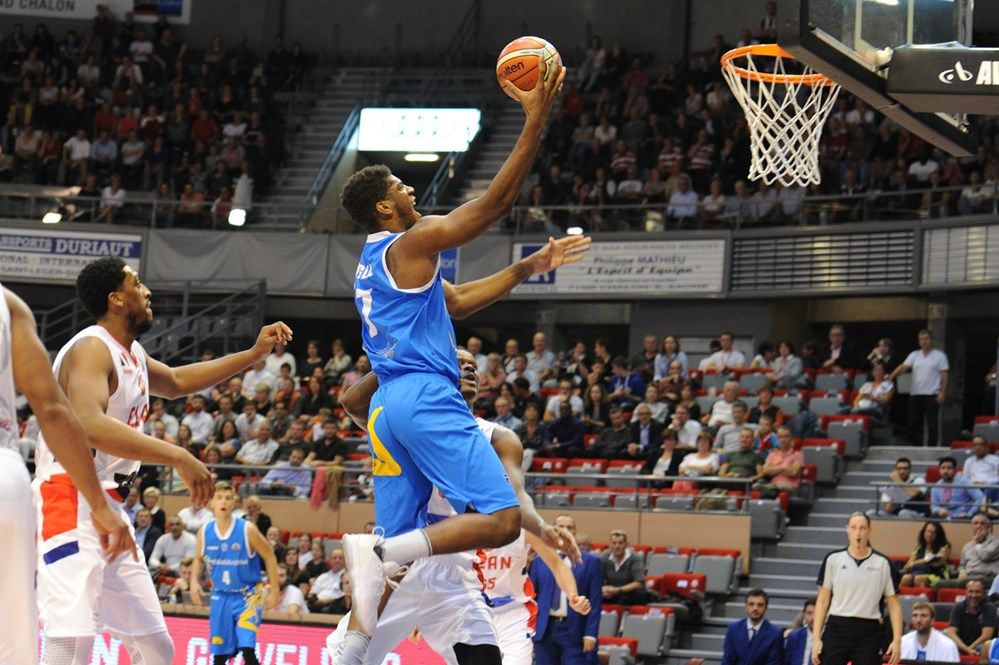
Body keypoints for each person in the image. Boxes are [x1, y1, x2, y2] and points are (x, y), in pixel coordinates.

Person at [339, 55, 583, 654]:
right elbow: (492, 207)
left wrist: (528, 267)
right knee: (501, 521)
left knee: (395, 575)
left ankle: (355, 637)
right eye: (399, 187)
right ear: (383, 208)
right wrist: (535, 118)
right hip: (425, 395)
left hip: (387, 408)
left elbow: (459, 301)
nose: (409, 189)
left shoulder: (373, 264)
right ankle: (380, 550)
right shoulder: (411, 240)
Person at [32, 257, 291, 665]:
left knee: (156, 647)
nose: (147, 291)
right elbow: (87, 424)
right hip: (68, 494)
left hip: (110, 505)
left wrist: (253, 354)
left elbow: (176, 381)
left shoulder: (130, 352)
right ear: (116, 299)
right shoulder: (91, 349)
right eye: (136, 284)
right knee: (71, 640)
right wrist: (177, 454)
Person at [332, 348, 584, 665]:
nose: (468, 368)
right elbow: (352, 403)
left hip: (454, 572)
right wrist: (403, 359)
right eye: (458, 362)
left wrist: (543, 527)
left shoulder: (498, 437)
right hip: (402, 569)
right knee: (350, 659)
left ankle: (378, 554)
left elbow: (516, 496)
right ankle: (380, 557)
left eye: (473, 365)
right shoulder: (405, 419)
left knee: (486, 658)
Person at [0, 284, 134, 665]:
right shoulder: (9, 304)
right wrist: (100, 505)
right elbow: (53, 411)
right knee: (13, 643)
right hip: (6, 474)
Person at [189, 482, 280, 665]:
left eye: (228, 498)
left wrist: (275, 589)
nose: (223, 502)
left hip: (248, 595)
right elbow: (198, 559)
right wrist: (193, 581)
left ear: (234, 503)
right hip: (220, 596)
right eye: (219, 498)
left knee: (247, 649)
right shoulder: (204, 532)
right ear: (211, 502)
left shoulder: (247, 529)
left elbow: (270, 556)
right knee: (220, 656)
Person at [812, 512, 902, 665]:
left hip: (869, 631)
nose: (858, 533)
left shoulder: (883, 563)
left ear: (870, 530)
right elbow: (822, 601)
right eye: (853, 527)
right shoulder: (833, 559)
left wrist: (897, 640)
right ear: (847, 529)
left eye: (862, 528)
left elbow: (894, 604)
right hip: (837, 626)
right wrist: (816, 639)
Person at [531, 514, 603, 665]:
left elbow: (595, 601)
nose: (565, 530)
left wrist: (591, 634)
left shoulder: (591, 562)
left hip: (575, 629)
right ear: (553, 530)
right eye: (561, 527)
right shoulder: (539, 560)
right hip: (545, 628)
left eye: (569, 527)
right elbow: (532, 596)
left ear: (575, 531)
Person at [889, 329, 949, 446]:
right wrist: (892, 376)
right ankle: (913, 445)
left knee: (932, 424)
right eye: (921, 340)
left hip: (932, 394)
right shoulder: (914, 355)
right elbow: (903, 367)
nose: (923, 342)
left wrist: (943, 392)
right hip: (915, 393)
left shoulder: (940, 356)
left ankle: (932, 448)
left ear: (931, 340)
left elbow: (945, 375)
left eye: (926, 339)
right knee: (913, 422)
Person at [721, 588, 784, 665]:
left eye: (760, 605)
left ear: (766, 608)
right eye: (751, 604)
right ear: (746, 607)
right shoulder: (733, 629)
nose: (755, 608)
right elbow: (727, 661)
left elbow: (774, 663)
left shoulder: (775, 633)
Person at [600, 529, 655, 606]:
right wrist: (603, 589)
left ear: (626, 544)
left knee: (640, 593)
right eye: (614, 543)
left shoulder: (635, 558)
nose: (617, 546)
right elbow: (597, 578)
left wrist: (618, 590)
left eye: (620, 543)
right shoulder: (604, 557)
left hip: (630, 593)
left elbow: (639, 583)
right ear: (610, 545)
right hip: (611, 593)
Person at [946, 577, 996, 656]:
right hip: (962, 645)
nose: (974, 595)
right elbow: (952, 633)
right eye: (970, 591)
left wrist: (968, 650)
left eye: (978, 592)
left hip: (979, 646)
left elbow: (986, 636)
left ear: (984, 593)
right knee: (944, 634)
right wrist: (967, 650)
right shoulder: (958, 607)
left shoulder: (990, 608)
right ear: (966, 592)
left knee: (985, 647)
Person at [900, 522, 951, 588]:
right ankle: (897, 594)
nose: (930, 535)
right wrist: (910, 566)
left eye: (933, 533)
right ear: (924, 532)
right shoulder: (919, 547)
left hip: (937, 574)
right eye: (928, 531)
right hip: (919, 572)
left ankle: (922, 595)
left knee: (919, 579)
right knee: (906, 578)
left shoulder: (944, 546)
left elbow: (939, 562)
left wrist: (918, 562)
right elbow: (909, 564)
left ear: (938, 535)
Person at [783, 597, 816, 665]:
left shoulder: (829, 639)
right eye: (809, 613)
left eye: (817, 613)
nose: (813, 618)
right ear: (804, 614)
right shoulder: (794, 636)